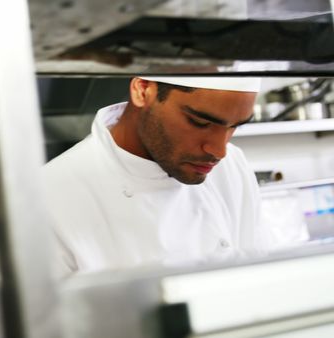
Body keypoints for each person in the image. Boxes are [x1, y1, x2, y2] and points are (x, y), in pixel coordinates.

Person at [43, 77, 303, 275]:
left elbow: (256, 277)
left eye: (234, 126)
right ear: (143, 90)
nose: (219, 150)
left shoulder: (232, 164)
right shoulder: (47, 199)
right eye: (200, 123)